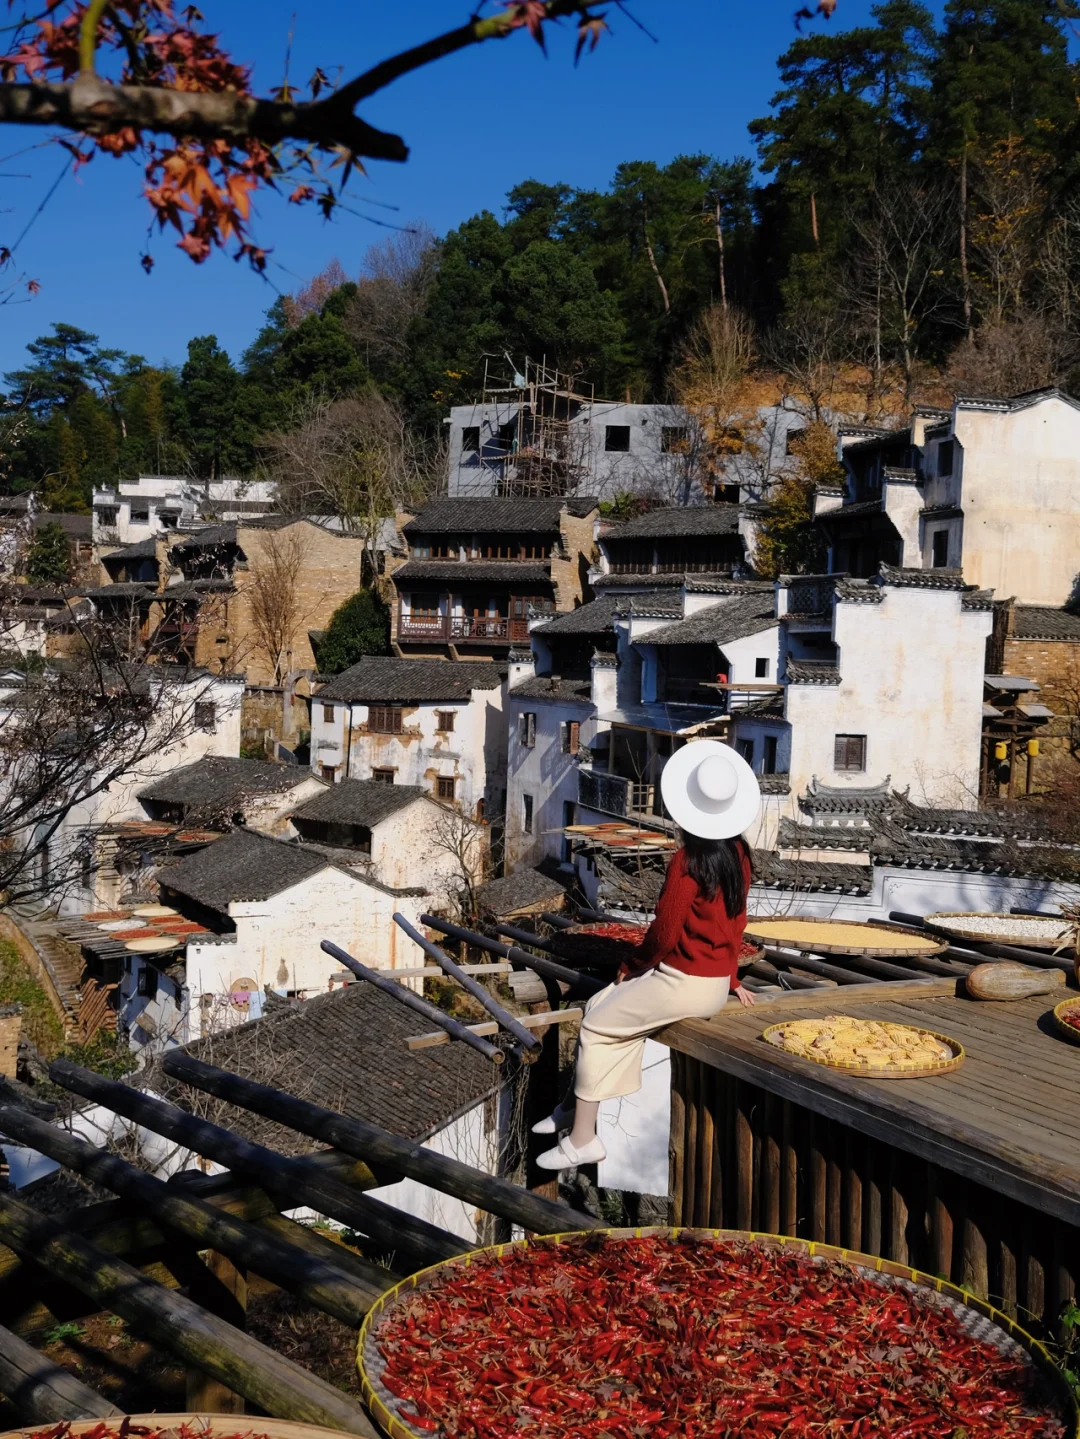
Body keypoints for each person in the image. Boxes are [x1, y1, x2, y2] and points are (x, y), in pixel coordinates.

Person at [535, 738, 761, 1171]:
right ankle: (571, 1108)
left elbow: (663, 934)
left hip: (682, 982)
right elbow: (735, 923)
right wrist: (730, 979)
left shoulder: (688, 861)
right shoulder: (738, 855)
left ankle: (584, 1139)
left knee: (598, 1025)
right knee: (605, 1002)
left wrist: (632, 965)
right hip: (710, 983)